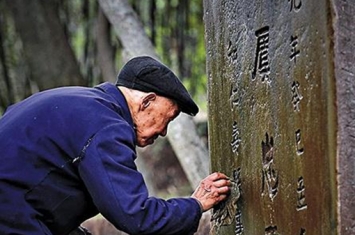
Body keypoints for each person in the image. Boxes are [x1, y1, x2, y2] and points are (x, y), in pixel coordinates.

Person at [0, 56, 231, 235]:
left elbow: (37, 187)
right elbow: (136, 217)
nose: (163, 131)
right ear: (147, 101)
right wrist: (196, 204)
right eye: (167, 118)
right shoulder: (106, 125)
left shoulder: (82, 103)